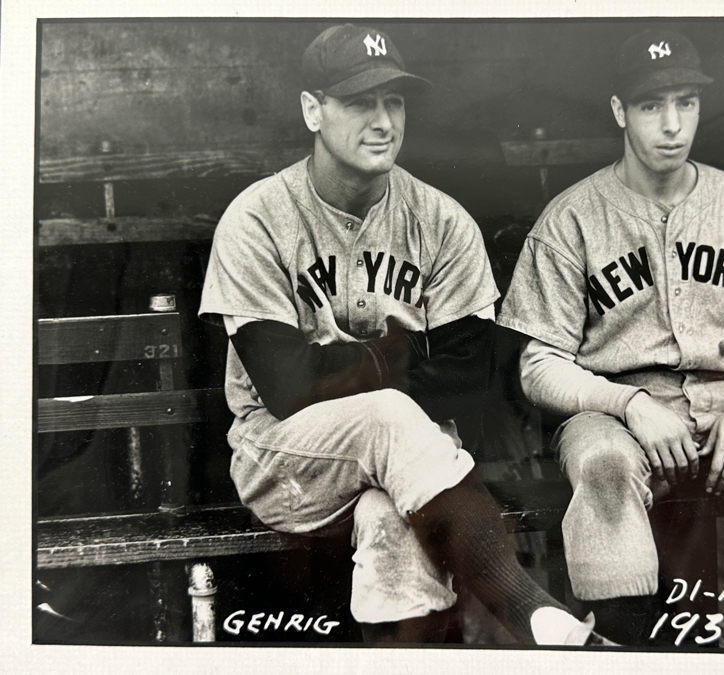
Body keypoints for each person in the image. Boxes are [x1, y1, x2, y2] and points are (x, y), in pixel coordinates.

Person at [199, 23, 607, 646]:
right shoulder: (257, 218)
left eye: (394, 102)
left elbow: (468, 384)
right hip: (283, 461)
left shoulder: (442, 221)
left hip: (414, 464)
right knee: (391, 416)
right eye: (361, 102)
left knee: (390, 516)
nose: (384, 121)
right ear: (313, 110)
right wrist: (403, 354)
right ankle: (537, 619)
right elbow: (285, 389)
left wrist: (349, 359)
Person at [497, 28, 724, 649]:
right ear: (619, 111)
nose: (672, 125)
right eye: (650, 106)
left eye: (685, 104)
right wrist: (630, 405)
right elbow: (539, 366)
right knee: (604, 466)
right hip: (617, 416)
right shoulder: (571, 217)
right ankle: (619, 651)